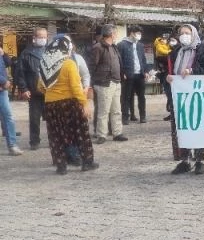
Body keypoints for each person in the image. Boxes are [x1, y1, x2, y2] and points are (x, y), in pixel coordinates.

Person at [37, 35, 98, 174]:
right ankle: (87, 162)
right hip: (70, 104)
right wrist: (84, 103)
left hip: (51, 105)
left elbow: (40, 87)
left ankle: (61, 166)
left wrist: (52, 92)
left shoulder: (45, 65)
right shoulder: (69, 63)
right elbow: (76, 87)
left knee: (56, 136)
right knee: (80, 133)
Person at [167, 24, 204, 174]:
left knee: (197, 125)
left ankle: (200, 160)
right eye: (181, 33)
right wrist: (169, 78)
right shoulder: (176, 52)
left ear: (193, 34)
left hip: (197, 96)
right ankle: (185, 160)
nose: (184, 35)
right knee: (181, 127)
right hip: (179, 97)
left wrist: (192, 71)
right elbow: (171, 72)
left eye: (187, 33)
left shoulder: (202, 49)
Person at [87, 24, 127, 144]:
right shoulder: (98, 47)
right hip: (104, 83)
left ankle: (117, 132)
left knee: (116, 110)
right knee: (103, 111)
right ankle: (101, 134)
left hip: (116, 82)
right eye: (115, 33)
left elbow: (118, 62)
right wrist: (92, 83)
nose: (116, 36)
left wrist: (121, 74)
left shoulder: (114, 47)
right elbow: (92, 66)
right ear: (111, 34)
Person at [13, 27, 48, 150]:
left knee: (52, 117)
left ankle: (55, 139)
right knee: (34, 118)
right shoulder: (26, 54)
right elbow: (20, 73)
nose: (43, 39)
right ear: (34, 38)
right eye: (41, 37)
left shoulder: (50, 51)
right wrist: (24, 89)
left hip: (50, 91)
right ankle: (34, 141)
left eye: (45, 37)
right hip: (34, 91)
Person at [118, 25, 148, 124]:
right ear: (131, 33)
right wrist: (122, 73)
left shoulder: (140, 45)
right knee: (126, 97)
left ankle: (142, 116)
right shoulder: (122, 44)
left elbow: (143, 59)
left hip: (140, 74)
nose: (139, 35)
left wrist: (146, 71)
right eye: (137, 33)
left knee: (141, 96)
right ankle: (125, 117)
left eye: (140, 33)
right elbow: (119, 60)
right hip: (128, 74)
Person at [0, 46, 23, 155]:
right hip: (2, 86)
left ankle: (12, 145)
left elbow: (8, 63)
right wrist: (4, 81)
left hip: (2, 91)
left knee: (7, 116)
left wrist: (3, 53)